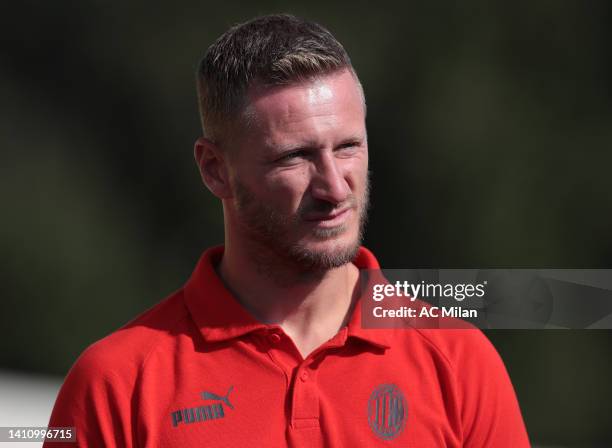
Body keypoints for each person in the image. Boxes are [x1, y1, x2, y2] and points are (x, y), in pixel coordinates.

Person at [45, 14, 530, 447]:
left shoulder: (458, 363)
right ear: (214, 169)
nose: (335, 186)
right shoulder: (117, 385)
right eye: (295, 156)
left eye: (348, 147)